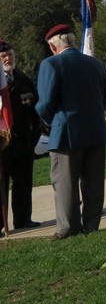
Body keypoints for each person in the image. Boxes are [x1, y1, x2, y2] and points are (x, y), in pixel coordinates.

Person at [35, 24, 106, 239]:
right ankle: (92, 225)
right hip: (95, 130)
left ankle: (68, 228)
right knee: (93, 182)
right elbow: (104, 95)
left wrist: (51, 123)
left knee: (65, 182)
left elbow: (45, 103)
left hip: (66, 132)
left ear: (52, 46)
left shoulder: (51, 64)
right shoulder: (95, 64)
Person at [0, 40, 43, 230]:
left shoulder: (24, 80)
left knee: (23, 185)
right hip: (1, 145)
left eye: (10, 54)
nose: (8, 58)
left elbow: (36, 111)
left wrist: (33, 139)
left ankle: (23, 220)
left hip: (23, 144)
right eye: (3, 56)